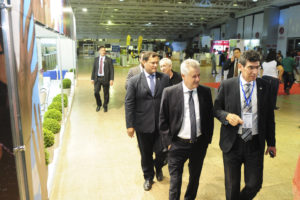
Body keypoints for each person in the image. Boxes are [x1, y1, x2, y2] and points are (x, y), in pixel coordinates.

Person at [214, 50, 276, 200]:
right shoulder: (227, 85)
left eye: (257, 67)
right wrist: (227, 116)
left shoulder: (264, 86)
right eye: (251, 67)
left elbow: (269, 117)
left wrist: (271, 142)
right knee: (232, 186)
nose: (255, 72)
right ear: (241, 67)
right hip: (232, 142)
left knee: (254, 183)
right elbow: (216, 109)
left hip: (254, 142)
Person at [159, 59, 214, 200]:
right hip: (177, 145)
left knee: (194, 177)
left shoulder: (205, 92)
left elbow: (209, 117)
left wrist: (207, 140)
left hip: (199, 144)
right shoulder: (169, 92)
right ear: (183, 76)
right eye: (193, 76)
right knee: (175, 181)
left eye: (199, 75)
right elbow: (163, 120)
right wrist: (168, 142)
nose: (197, 79)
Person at [125, 51, 170, 191]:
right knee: (146, 153)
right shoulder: (134, 81)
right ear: (144, 62)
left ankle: (158, 166)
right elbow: (129, 103)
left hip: (161, 124)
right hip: (143, 124)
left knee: (163, 151)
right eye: (153, 63)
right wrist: (130, 125)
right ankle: (148, 177)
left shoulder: (164, 79)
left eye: (157, 63)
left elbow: (169, 100)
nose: (156, 66)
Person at [91, 46, 114, 112]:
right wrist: (92, 78)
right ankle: (99, 104)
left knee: (106, 93)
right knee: (96, 92)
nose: (103, 52)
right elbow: (94, 69)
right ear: (99, 51)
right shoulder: (96, 59)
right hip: (97, 78)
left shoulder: (109, 60)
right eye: (102, 50)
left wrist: (111, 79)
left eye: (104, 50)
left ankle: (105, 105)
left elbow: (112, 70)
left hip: (105, 78)